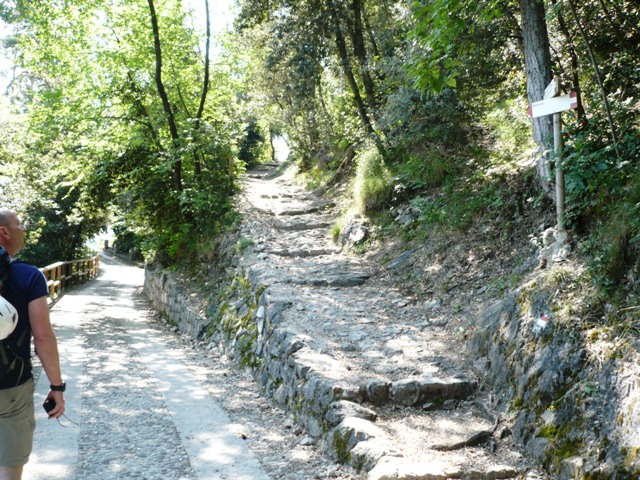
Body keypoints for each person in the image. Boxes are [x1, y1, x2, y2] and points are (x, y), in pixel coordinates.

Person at [0, 208, 65, 480]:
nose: (23, 229)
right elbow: (43, 337)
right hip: (11, 386)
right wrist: (57, 386)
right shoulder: (28, 276)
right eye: (20, 224)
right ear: (4, 232)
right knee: (9, 467)